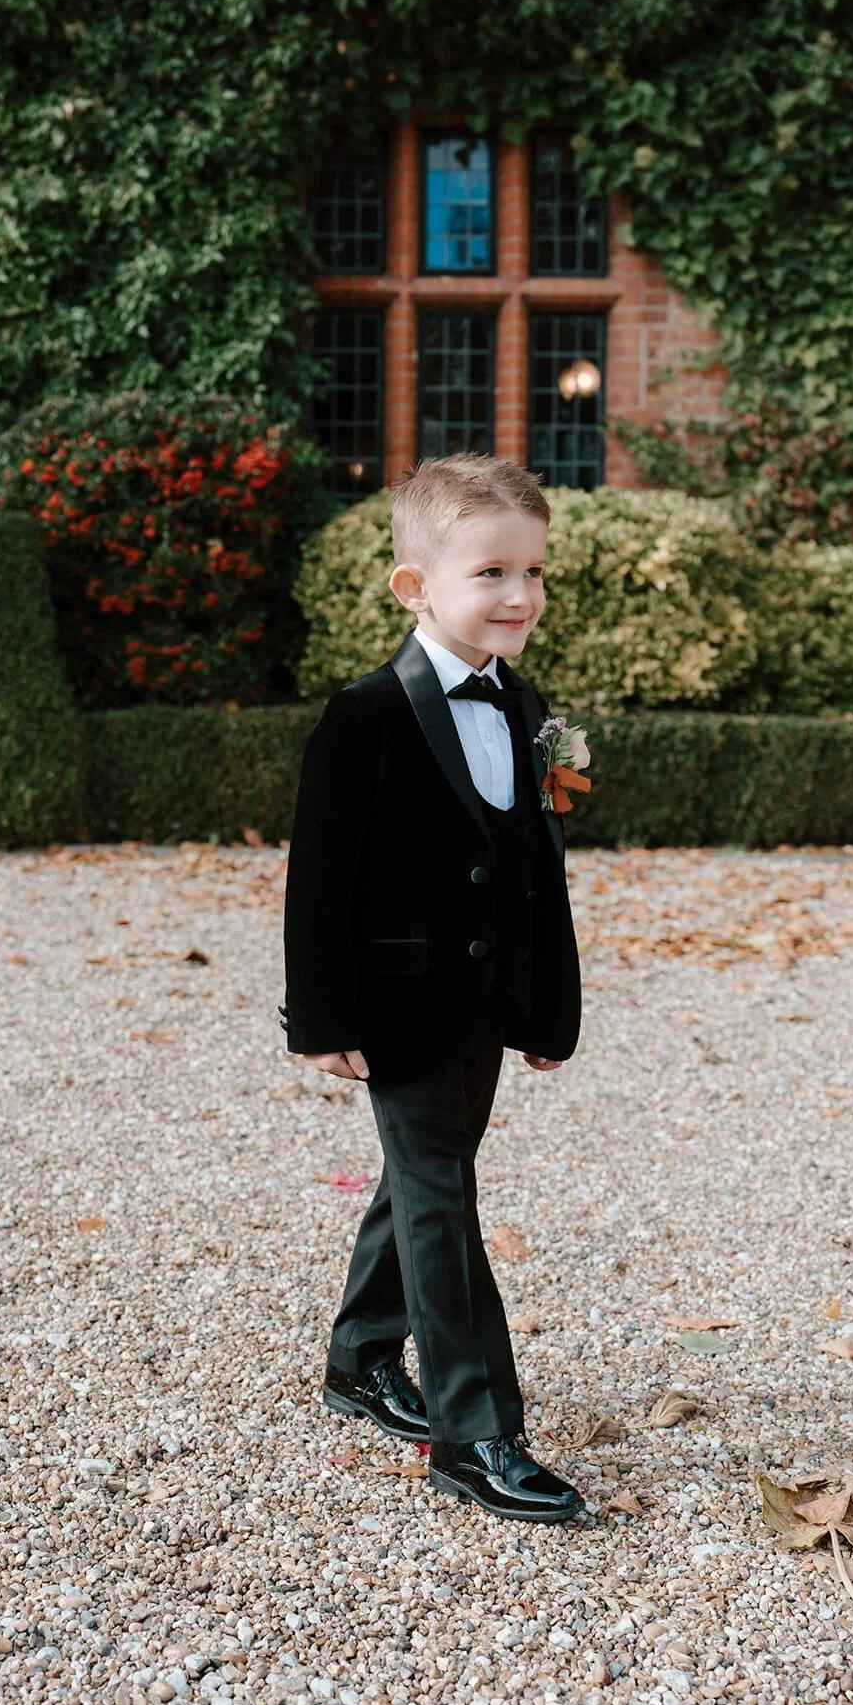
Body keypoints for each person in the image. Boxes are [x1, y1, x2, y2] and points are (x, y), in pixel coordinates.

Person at [281, 454, 584, 1523]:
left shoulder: (527, 707)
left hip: (488, 1006)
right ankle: (477, 1432)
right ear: (416, 587)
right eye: (492, 573)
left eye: (535, 573)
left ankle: (361, 1358)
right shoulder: (362, 718)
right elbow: (318, 881)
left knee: (421, 1181)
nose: (519, 597)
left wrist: (547, 1007)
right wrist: (317, 1017)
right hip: (395, 1008)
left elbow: (533, 867)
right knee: (443, 1203)